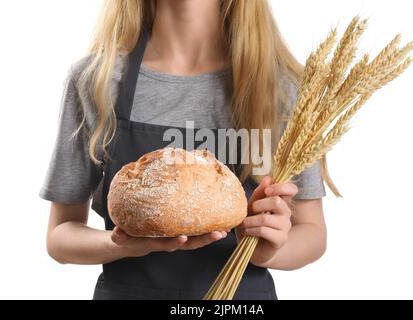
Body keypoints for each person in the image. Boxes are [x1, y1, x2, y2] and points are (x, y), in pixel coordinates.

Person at [41, 0, 328, 300]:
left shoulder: (279, 87)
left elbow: (312, 231)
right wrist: (122, 244)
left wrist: (266, 252)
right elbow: (60, 234)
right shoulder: (96, 81)